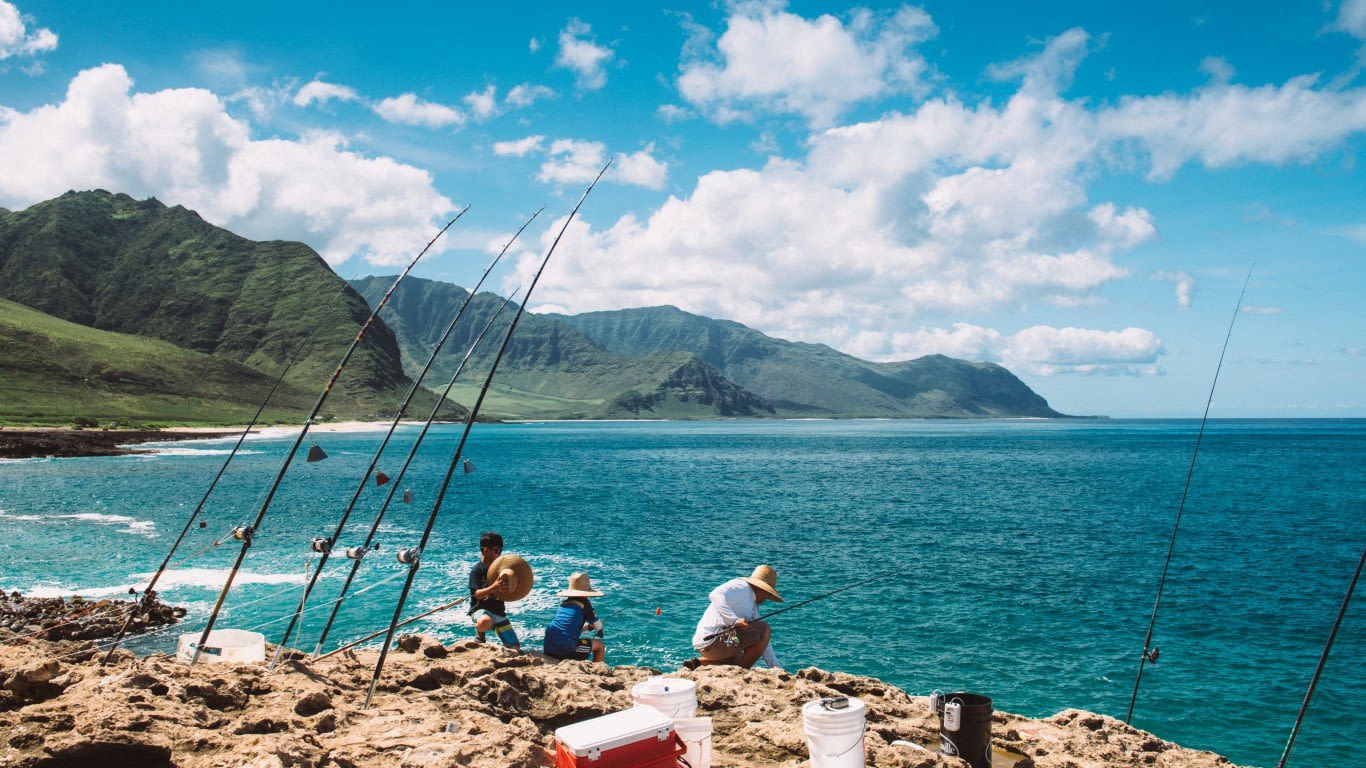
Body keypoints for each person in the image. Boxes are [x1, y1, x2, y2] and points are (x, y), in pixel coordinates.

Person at [688, 565, 783, 670]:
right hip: (711, 640)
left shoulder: (753, 607)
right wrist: (734, 620)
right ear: (762, 589)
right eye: (769, 594)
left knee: (739, 659)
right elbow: (715, 594)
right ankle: (742, 670)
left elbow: (764, 640)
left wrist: (775, 665)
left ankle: (698, 663)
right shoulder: (741, 586)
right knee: (765, 628)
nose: (767, 599)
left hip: (708, 646)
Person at [468, 532, 520, 648]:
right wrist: (494, 587)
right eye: (496, 550)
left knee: (515, 646)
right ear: (486, 550)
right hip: (480, 611)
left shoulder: (500, 569)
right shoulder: (477, 570)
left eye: (501, 551)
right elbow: (477, 595)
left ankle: (494, 629)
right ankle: (479, 632)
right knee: (485, 622)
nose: (499, 554)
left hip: (498, 612)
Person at [543, 572, 606, 662]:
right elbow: (598, 626)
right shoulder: (585, 604)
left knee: (575, 642)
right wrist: (598, 626)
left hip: (548, 646)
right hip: (565, 649)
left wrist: (587, 628)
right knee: (600, 646)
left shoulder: (564, 603)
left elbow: (567, 626)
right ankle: (598, 672)